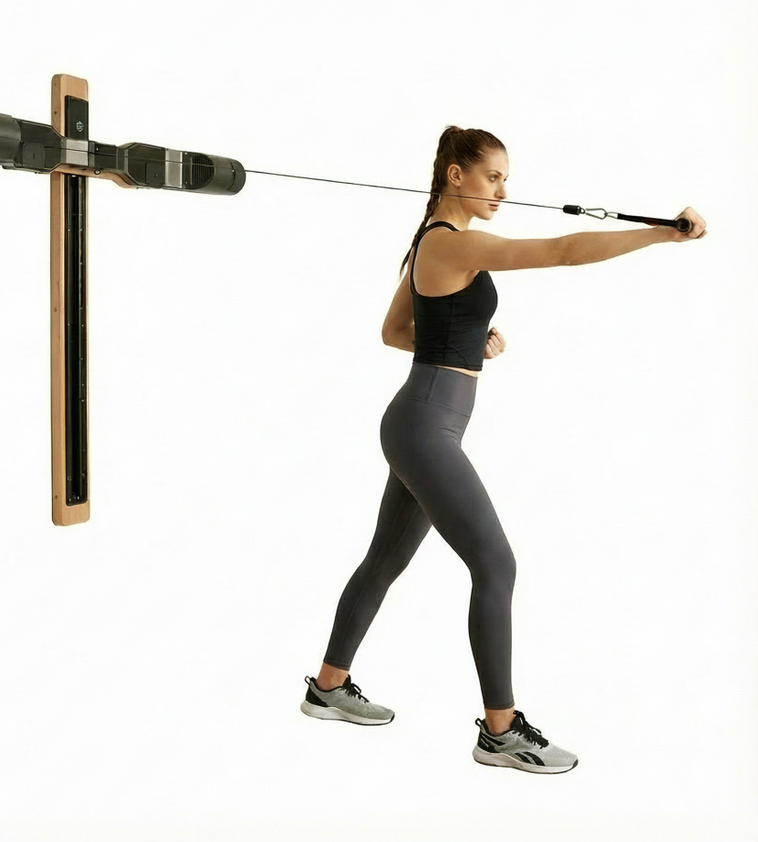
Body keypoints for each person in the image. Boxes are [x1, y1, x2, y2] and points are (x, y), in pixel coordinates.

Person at [299, 126, 706, 774]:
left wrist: (466, 342)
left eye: (506, 179)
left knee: (384, 560)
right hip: (425, 428)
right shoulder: (453, 243)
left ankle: (326, 688)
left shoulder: (430, 242)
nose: (503, 190)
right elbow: (566, 250)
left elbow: (396, 331)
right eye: (493, 177)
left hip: (422, 423)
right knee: (496, 564)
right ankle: (501, 731)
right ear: (456, 174)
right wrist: (663, 233)